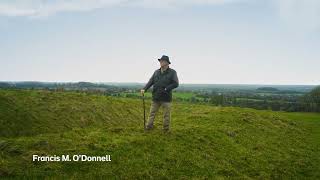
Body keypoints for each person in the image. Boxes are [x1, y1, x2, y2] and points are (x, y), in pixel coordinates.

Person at [141, 55, 179, 132]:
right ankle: (149, 127)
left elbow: (176, 83)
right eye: (160, 61)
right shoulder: (156, 72)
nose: (161, 62)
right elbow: (151, 81)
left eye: (163, 61)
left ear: (167, 63)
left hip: (166, 98)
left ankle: (165, 130)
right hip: (156, 97)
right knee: (152, 113)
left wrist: (166, 88)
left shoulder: (172, 72)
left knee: (166, 115)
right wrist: (144, 89)